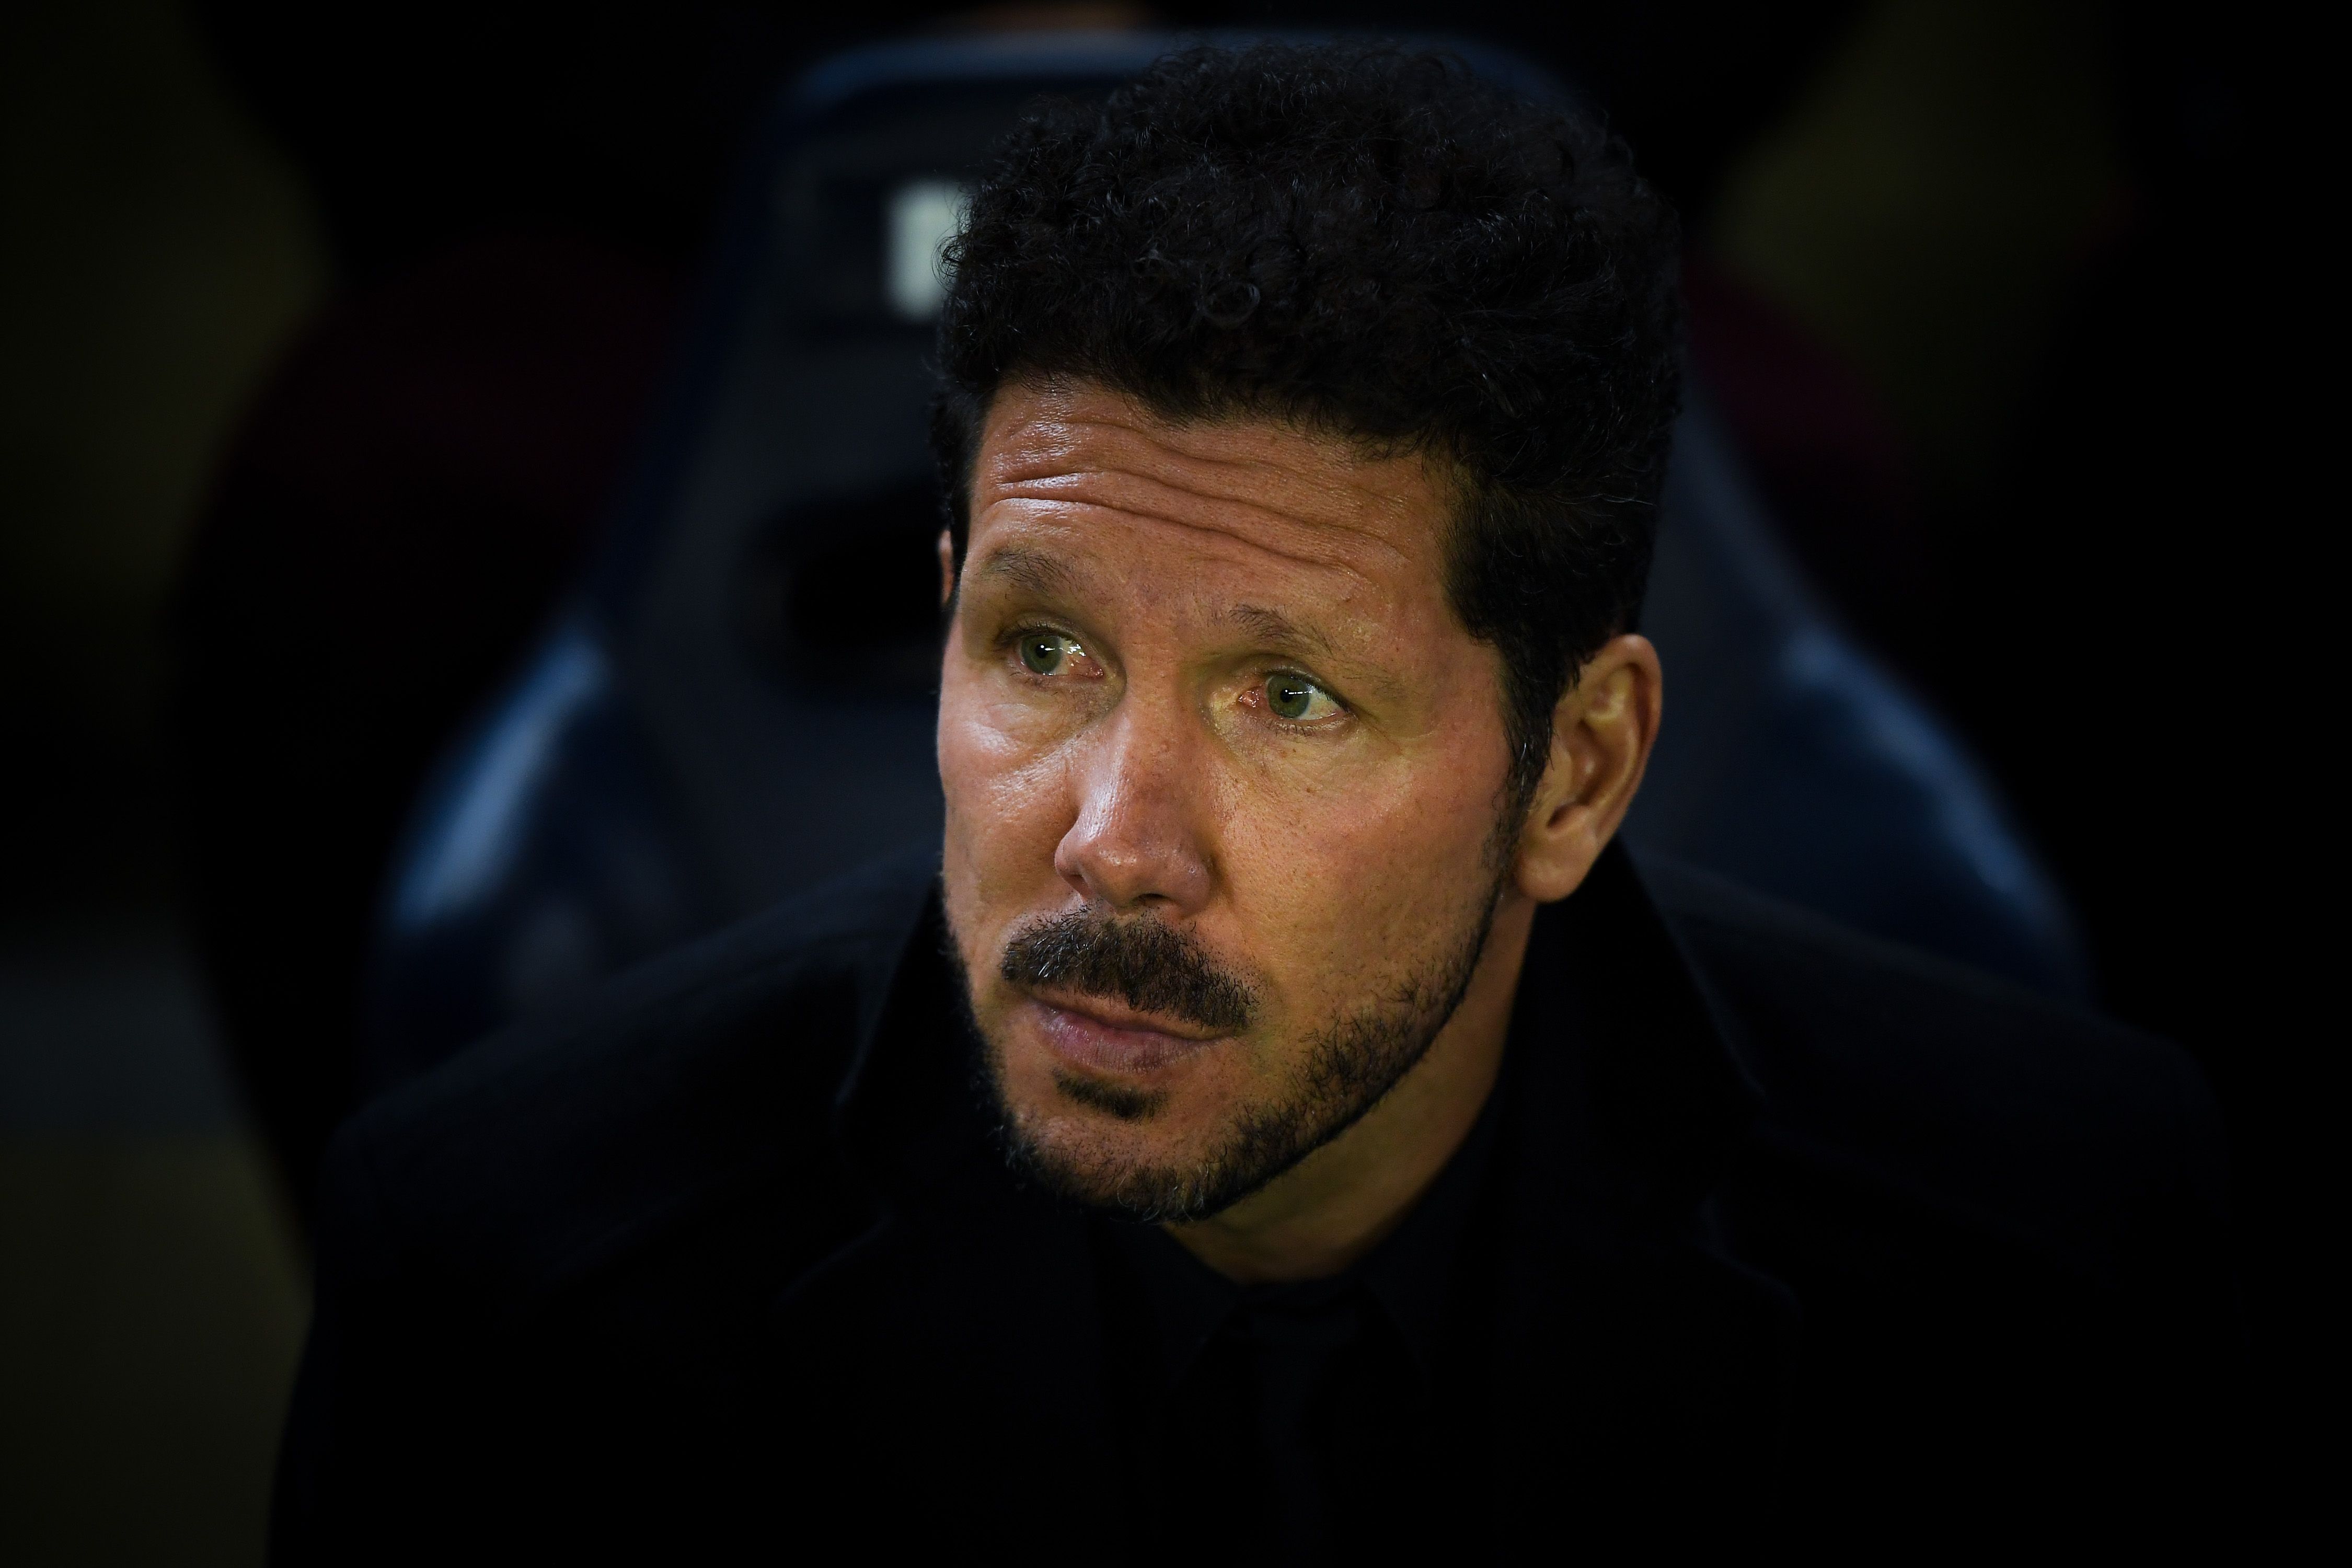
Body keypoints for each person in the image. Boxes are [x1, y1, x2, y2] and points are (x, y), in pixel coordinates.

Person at [272, 42, 2234, 1560]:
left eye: (1288, 698)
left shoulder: (2050, 1269)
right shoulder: (510, 1288)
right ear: (946, 616)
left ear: (1578, 769)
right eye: (1042, 655)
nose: (1113, 839)